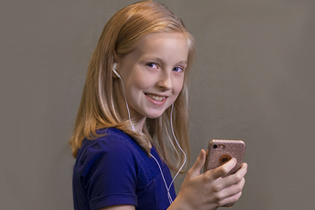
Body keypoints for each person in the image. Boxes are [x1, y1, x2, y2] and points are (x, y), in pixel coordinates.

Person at [70, 1, 248, 210]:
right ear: (113, 65)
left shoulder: (140, 145)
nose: (167, 83)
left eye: (177, 69)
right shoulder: (112, 151)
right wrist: (188, 205)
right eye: (152, 65)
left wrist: (204, 198)